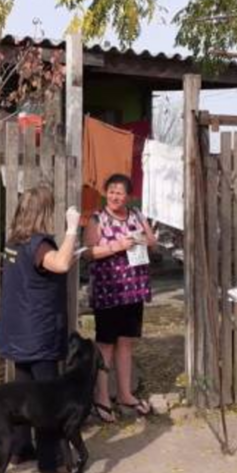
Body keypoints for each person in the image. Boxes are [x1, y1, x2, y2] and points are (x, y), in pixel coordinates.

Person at [0, 184, 80, 473]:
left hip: (17, 332)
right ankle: (49, 459)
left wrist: (69, 252)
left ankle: (21, 449)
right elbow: (59, 265)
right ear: (44, 212)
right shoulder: (40, 244)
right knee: (46, 399)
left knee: (23, 395)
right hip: (39, 334)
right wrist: (71, 230)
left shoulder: (13, 243)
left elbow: (40, 269)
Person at [84, 173, 158, 422]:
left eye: (121, 192)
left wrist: (141, 240)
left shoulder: (136, 215)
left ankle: (125, 393)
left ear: (129, 196)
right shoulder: (97, 218)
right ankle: (102, 397)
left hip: (133, 290)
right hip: (109, 290)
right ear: (106, 192)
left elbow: (152, 242)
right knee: (105, 344)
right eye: (112, 191)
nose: (116, 196)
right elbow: (89, 252)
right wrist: (117, 246)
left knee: (126, 341)